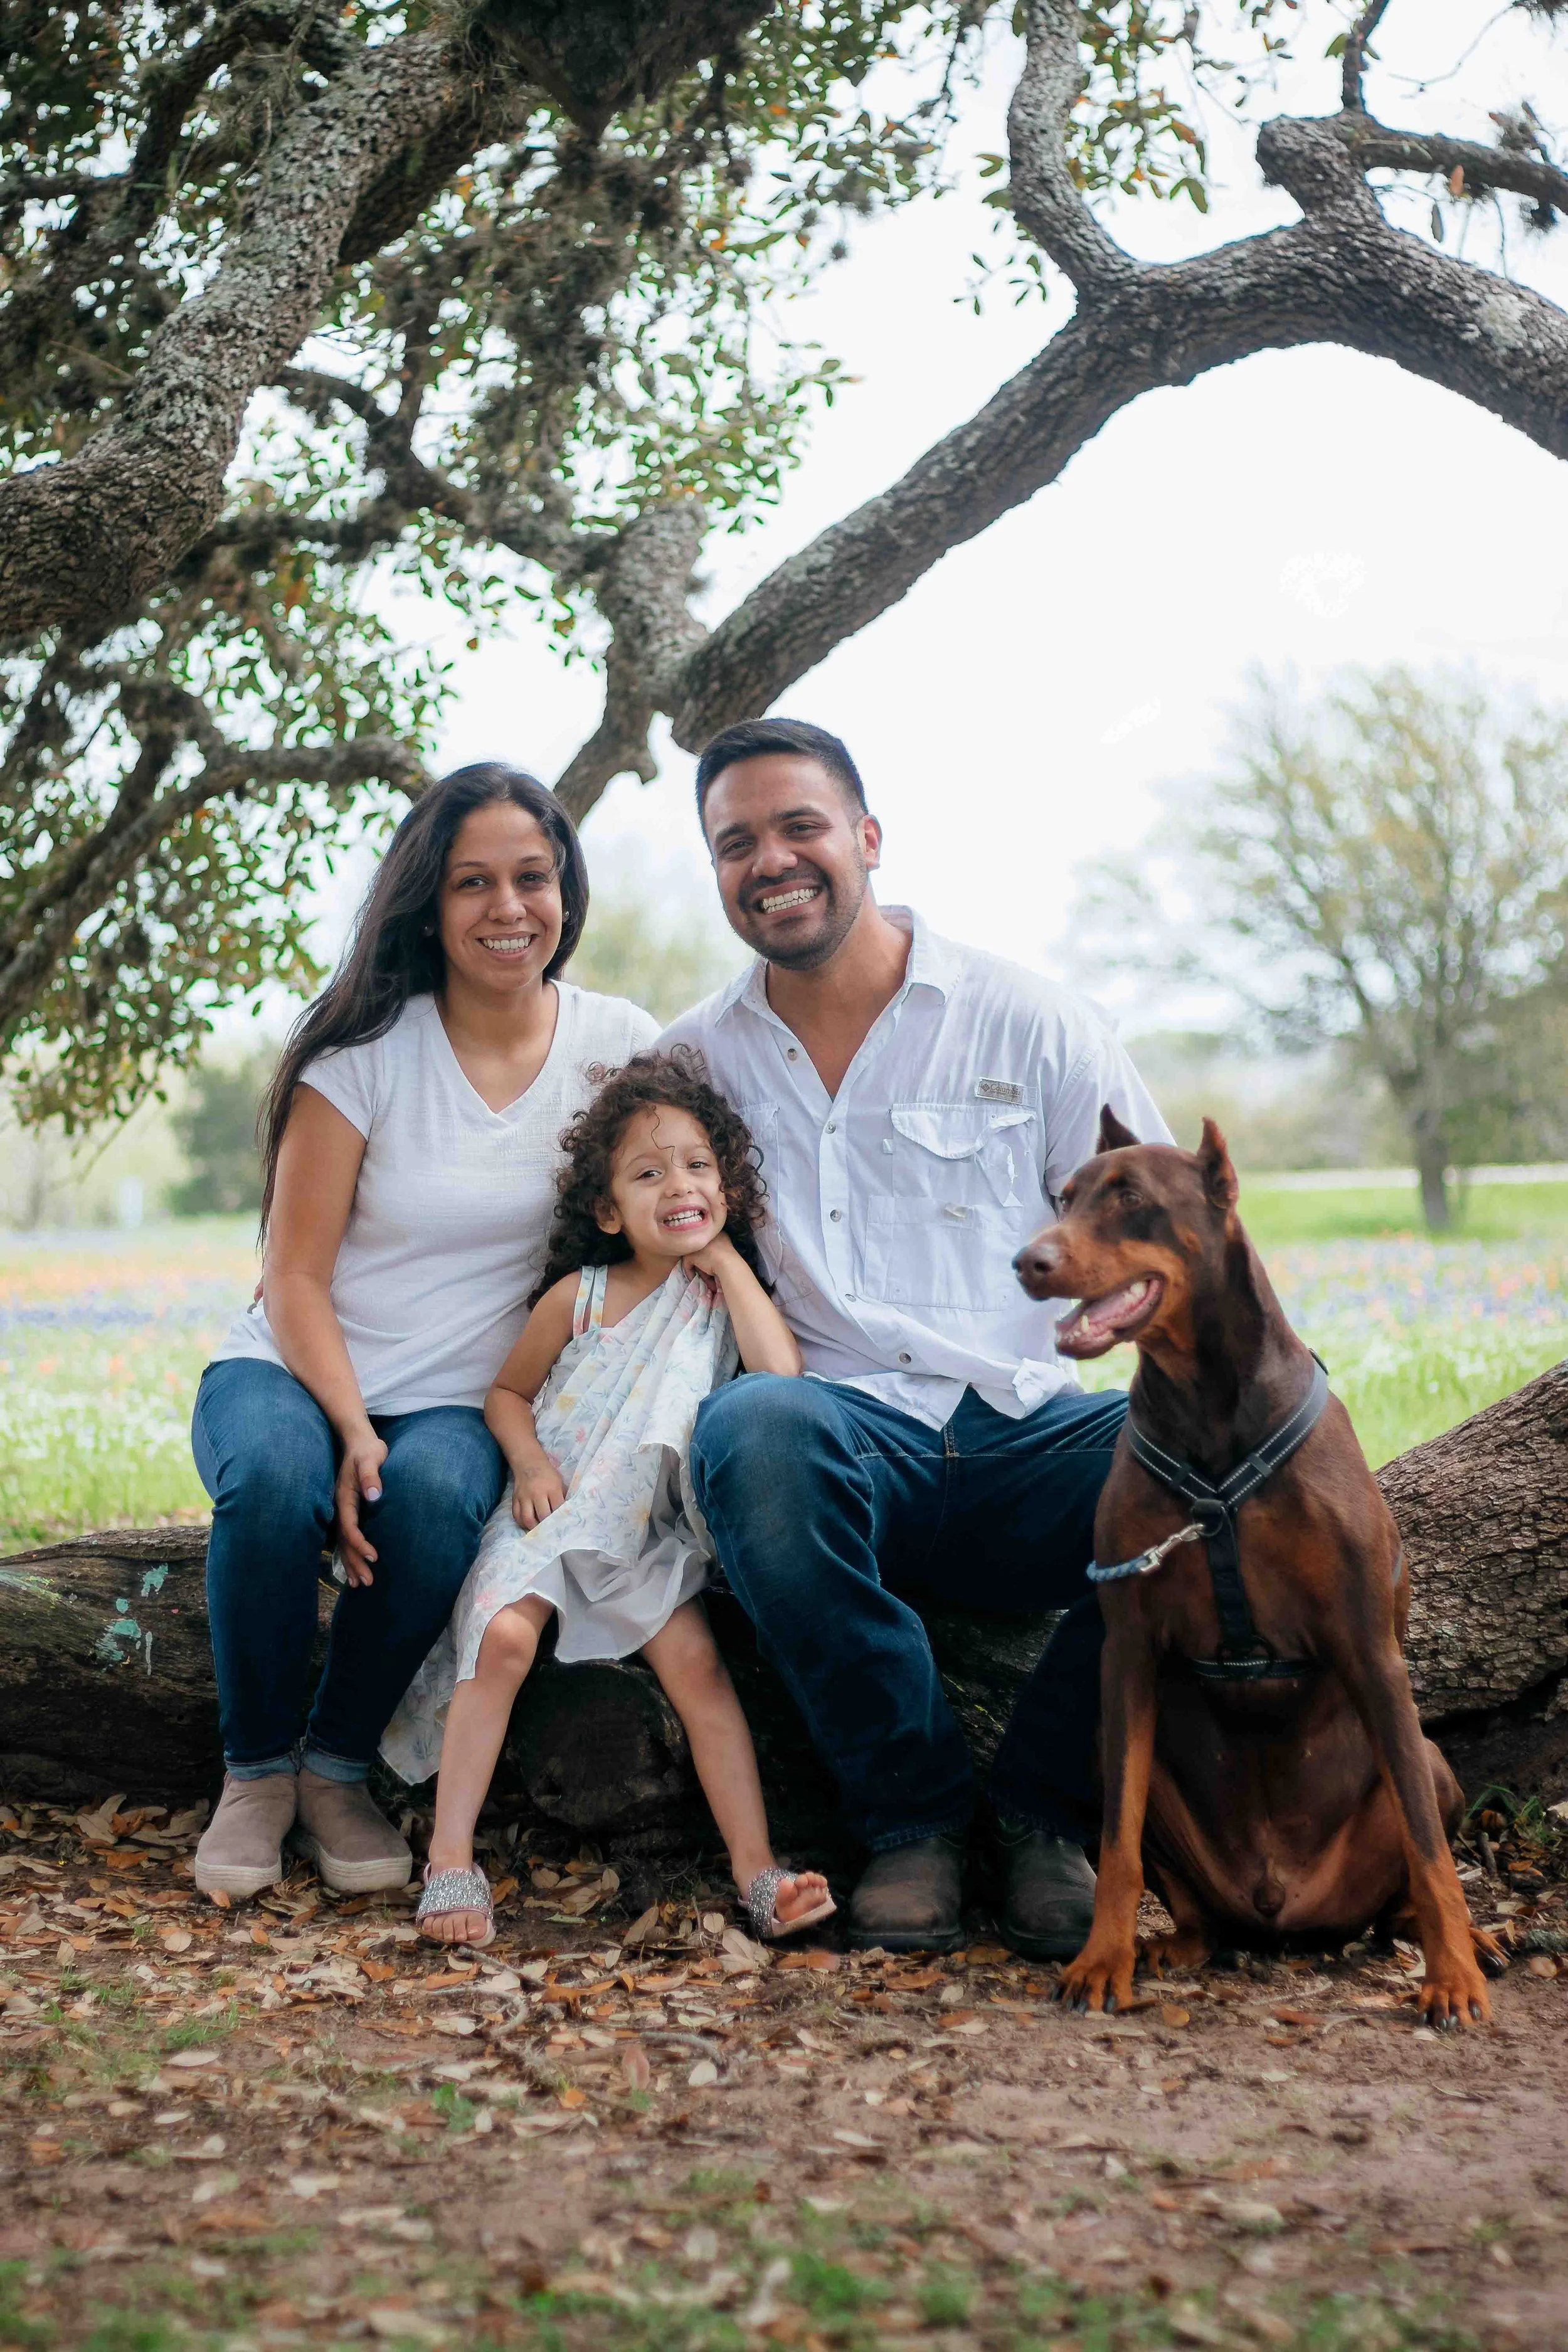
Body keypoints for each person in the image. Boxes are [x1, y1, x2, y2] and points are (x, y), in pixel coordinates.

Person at [661, 717, 1170, 1958]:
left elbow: (1159, 1239)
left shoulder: (1028, 1022)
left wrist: (1109, 1321)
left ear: (867, 839)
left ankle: (1049, 1812)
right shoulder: (693, 1061)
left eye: (799, 827)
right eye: (736, 844)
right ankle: (912, 1823)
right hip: (841, 1449)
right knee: (750, 1430)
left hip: (1033, 1431)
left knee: (1195, 1456)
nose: (770, 861)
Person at [189, 765, 658, 1904]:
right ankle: (254, 1774)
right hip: (298, 1369)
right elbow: (293, 1276)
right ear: (428, 904)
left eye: (531, 877)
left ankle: (335, 1768)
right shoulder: (364, 1062)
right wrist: (349, 1427)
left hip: (463, 1397)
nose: (508, 908)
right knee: (270, 1477)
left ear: (565, 888)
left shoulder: (619, 1046)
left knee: (442, 1497)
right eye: (472, 883)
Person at [383, 1051, 835, 1951]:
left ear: (728, 1186)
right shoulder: (579, 1298)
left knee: (699, 1671)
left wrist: (728, 1263)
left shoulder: (717, 1301)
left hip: (645, 1535)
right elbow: (506, 1396)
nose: (680, 1183)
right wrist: (528, 1462)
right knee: (504, 1636)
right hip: (554, 1513)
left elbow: (784, 1373)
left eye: (699, 1165)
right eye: (648, 1170)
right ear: (607, 1208)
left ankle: (757, 1872)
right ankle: (449, 1854)